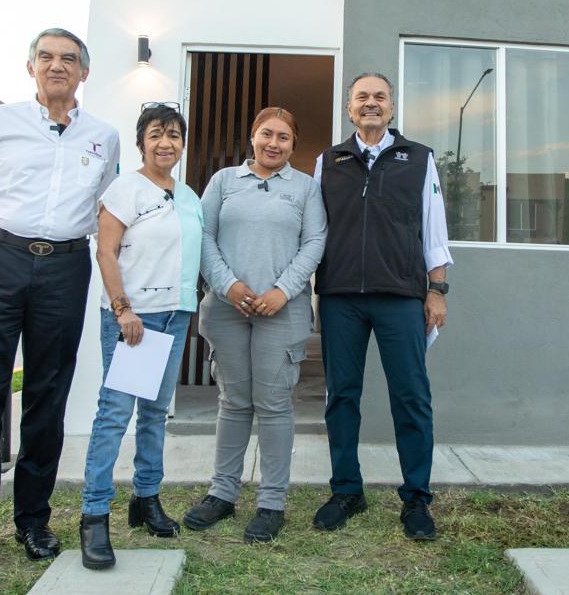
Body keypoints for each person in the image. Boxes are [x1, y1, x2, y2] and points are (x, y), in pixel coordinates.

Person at [0, 28, 119, 578]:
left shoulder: (103, 137)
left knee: (48, 393)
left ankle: (34, 521)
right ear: (31, 67)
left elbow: (105, 210)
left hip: (64, 266)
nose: (56, 66)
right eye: (46, 57)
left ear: (84, 73)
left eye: (68, 59)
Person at [312, 72, 451, 541]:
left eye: (379, 97)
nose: (370, 104)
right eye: (361, 98)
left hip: (400, 297)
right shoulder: (327, 161)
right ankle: (346, 490)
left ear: (391, 107)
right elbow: (314, 230)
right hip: (341, 298)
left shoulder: (418, 159)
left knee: (411, 397)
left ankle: (416, 499)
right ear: (349, 108)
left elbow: (434, 230)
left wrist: (438, 291)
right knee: (342, 397)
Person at [183, 107, 327, 543]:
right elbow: (201, 234)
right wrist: (228, 285)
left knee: (274, 403)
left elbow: (316, 241)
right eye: (267, 134)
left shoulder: (306, 188)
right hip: (228, 307)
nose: (274, 143)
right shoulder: (224, 181)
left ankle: (271, 502)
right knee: (233, 400)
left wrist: (282, 290)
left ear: (293, 144)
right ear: (252, 136)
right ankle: (222, 493)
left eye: (284, 137)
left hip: (281, 311)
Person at [78, 103, 203, 571]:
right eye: (156, 135)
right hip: (135, 320)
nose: (165, 143)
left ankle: (146, 499)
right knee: (114, 417)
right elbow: (105, 253)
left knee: (154, 414)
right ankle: (93, 516)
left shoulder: (189, 197)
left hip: (175, 315)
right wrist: (123, 309)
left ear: (182, 143)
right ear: (141, 142)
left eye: (173, 135)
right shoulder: (125, 188)